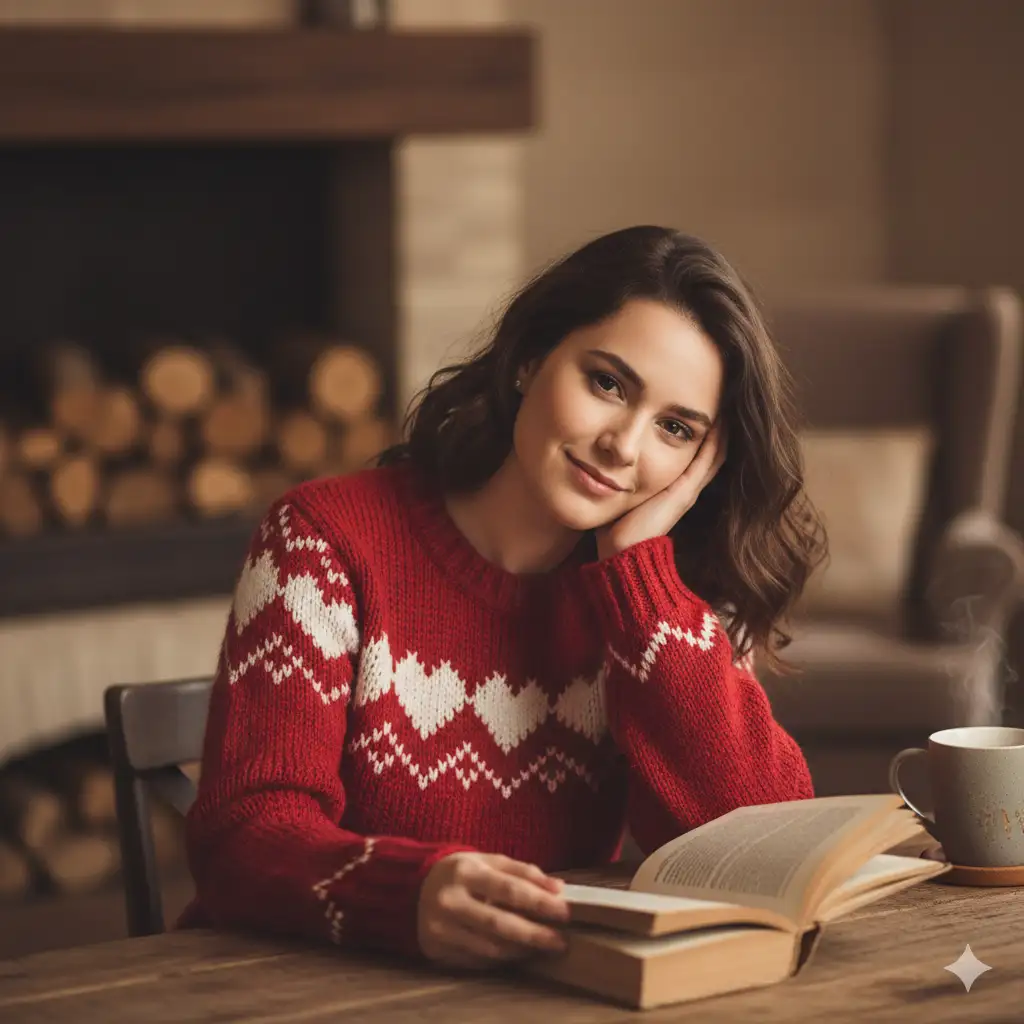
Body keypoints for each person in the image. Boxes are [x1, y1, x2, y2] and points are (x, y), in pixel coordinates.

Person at [181, 225, 827, 969]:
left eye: (674, 429)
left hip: (535, 993)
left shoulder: (664, 605)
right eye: (608, 383)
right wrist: (405, 894)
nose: (624, 444)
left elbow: (766, 854)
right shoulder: (323, 539)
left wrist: (638, 582)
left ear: (700, 464)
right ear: (529, 359)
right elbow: (243, 834)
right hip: (299, 987)